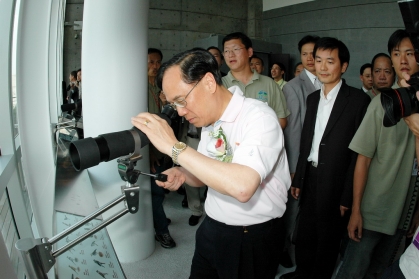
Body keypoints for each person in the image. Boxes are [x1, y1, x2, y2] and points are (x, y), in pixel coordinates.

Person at [131, 48, 291, 278]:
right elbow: (210, 171)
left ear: (208, 82)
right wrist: (184, 173)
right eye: (174, 105)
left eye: (181, 100)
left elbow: (242, 187)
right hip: (213, 226)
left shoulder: (259, 117)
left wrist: (174, 147)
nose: (181, 111)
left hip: (250, 237)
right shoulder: (209, 121)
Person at [281, 37, 371, 279]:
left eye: (329, 61)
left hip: (336, 180)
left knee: (328, 237)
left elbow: (358, 154)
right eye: (318, 60)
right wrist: (299, 178)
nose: (321, 66)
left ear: (343, 66)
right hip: (310, 175)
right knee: (306, 231)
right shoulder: (312, 99)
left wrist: (347, 195)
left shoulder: (358, 101)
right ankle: (302, 272)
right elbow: (306, 142)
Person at [336, 29, 419, 279]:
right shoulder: (382, 103)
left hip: (404, 215)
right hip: (374, 213)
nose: (403, 60)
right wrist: (356, 210)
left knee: (382, 273)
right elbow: (363, 159)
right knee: (352, 271)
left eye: (410, 53)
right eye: (397, 54)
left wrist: (416, 213)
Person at [280, 34, 320, 268]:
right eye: (304, 53)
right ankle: (285, 247)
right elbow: (293, 131)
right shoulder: (294, 87)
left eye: (312, 53)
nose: (309, 58)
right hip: (300, 163)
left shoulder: (326, 82)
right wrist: (294, 168)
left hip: (319, 160)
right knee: (292, 210)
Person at [222, 32, 290, 129]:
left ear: (249, 52)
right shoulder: (219, 85)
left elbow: (281, 119)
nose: (230, 55)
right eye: (226, 51)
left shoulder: (269, 84)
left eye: (236, 49)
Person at [147, 47, 176, 248]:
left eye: (158, 62)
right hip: (149, 151)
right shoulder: (136, 88)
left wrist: (169, 104)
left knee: (162, 189)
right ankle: (161, 232)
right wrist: (146, 154)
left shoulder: (162, 88)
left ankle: (158, 219)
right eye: (151, 62)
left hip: (164, 149)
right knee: (156, 193)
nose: (155, 66)